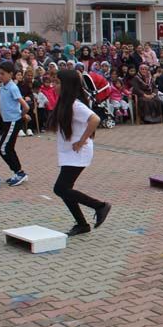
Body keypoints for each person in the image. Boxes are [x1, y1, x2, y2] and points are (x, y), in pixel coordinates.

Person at [48, 68, 110, 237]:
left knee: (60, 188)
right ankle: (82, 224)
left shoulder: (75, 104)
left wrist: (82, 140)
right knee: (65, 189)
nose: (54, 86)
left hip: (79, 151)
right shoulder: (65, 103)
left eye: (58, 83)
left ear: (67, 85)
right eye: (54, 82)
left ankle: (100, 206)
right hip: (69, 151)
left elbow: (95, 119)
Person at [0, 62, 30, 186]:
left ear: (11, 74)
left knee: (2, 148)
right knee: (9, 148)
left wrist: (21, 115)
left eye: (3, 74)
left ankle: (19, 172)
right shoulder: (3, 87)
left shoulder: (12, 87)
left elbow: (25, 106)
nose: (0, 76)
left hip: (13, 122)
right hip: (7, 122)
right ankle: (18, 172)